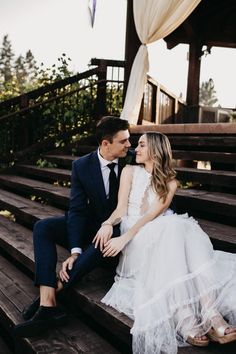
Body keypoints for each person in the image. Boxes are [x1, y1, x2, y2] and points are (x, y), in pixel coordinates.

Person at [95, 132, 236, 354]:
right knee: (175, 228)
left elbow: (154, 214)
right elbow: (121, 208)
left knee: (180, 227)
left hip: (158, 229)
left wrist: (126, 236)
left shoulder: (170, 182)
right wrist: (108, 224)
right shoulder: (129, 171)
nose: (135, 149)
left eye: (141, 145)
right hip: (136, 237)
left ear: (155, 149)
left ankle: (210, 312)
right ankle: (186, 315)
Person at [14, 116, 132, 337]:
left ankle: (45, 299)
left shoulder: (133, 162)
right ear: (105, 143)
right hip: (91, 225)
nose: (129, 145)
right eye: (123, 141)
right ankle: (48, 304)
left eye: (129, 140)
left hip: (119, 230)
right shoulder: (82, 165)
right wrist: (76, 250)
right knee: (43, 227)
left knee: (105, 238)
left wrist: (109, 226)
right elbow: (77, 210)